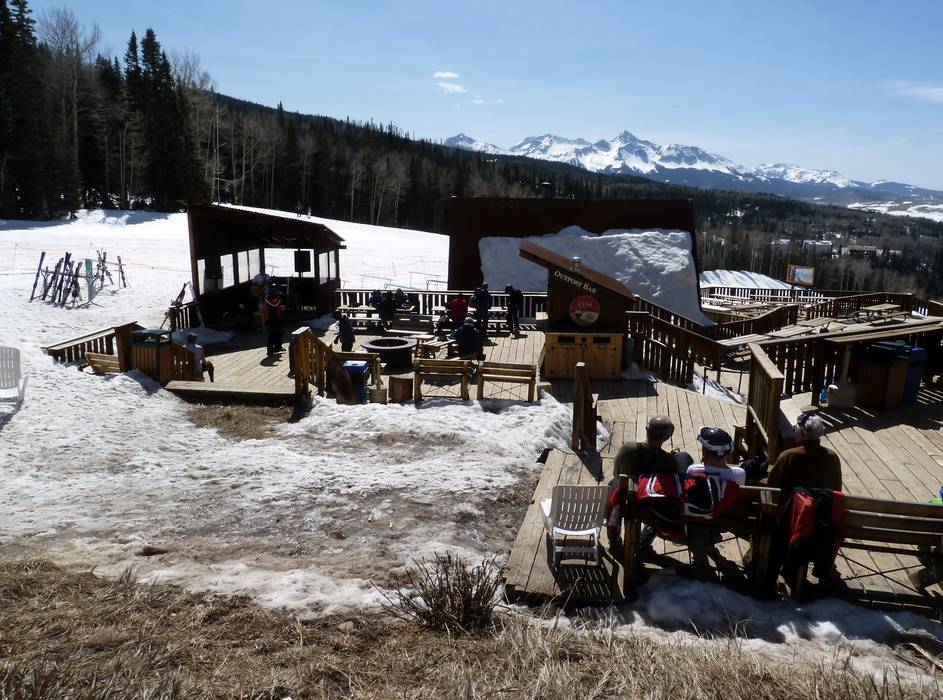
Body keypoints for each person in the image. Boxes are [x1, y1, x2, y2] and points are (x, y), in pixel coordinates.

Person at [609, 416, 690, 553]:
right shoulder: (669, 461)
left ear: (647, 430)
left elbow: (616, 473)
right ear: (667, 438)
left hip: (626, 499)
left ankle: (614, 540)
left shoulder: (628, 448)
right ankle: (644, 541)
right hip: (649, 504)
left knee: (614, 483)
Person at [685, 426, 743, 575]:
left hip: (699, 519)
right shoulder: (739, 474)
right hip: (727, 521)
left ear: (706, 452)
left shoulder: (693, 470)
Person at [765, 413, 842, 497]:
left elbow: (772, 485)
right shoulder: (832, 456)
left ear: (801, 433)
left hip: (793, 504)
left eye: (795, 428)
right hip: (822, 504)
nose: (794, 431)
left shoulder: (788, 456)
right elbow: (837, 488)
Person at [262, 288, 284, 355]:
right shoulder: (274, 300)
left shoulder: (270, 299)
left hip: (275, 318)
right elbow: (274, 305)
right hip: (272, 319)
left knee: (279, 332)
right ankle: (270, 350)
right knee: (272, 334)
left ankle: (278, 347)